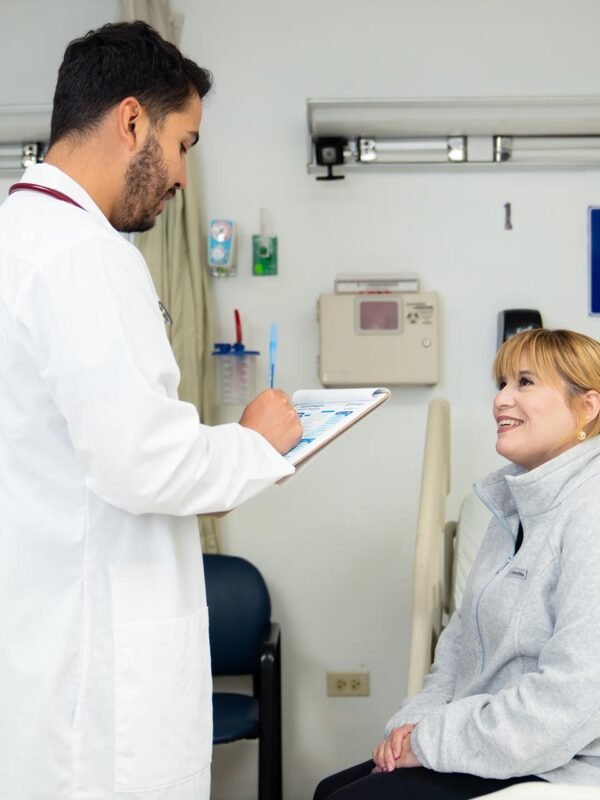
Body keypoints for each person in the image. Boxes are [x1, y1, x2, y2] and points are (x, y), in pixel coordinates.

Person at [0, 21, 302, 800]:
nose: (180, 177)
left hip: (45, 652)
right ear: (133, 121)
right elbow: (144, 461)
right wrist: (257, 444)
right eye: (184, 145)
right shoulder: (86, 256)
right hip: (98, 687)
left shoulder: (18, 238)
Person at [314, 328, 600, 800]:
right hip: (487, 741)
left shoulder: (590, 512)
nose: (502, 400)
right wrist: (414, 722)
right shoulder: (510, 508)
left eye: (525, 383)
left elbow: (573, 696)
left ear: (586, 408)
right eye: (502, 383)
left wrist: (429, 742)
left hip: (562, 760)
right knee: (329, 790)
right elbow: (459, 642)